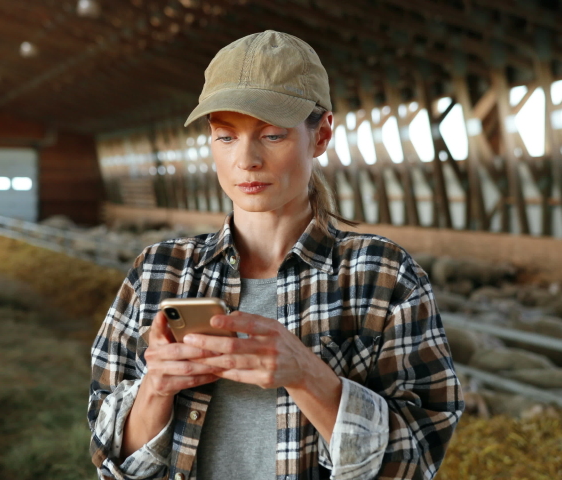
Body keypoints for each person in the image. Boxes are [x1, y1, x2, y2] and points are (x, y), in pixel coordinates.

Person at [88, 30, 464, 480]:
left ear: (321, 135)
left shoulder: (383, 276)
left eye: (271, 135)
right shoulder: (159, 272)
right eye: (226, 137)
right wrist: (156, 389)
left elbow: (418, 459)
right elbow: (109, 457)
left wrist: (309, 375)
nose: (246, 159)